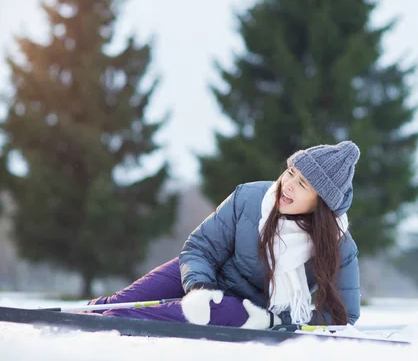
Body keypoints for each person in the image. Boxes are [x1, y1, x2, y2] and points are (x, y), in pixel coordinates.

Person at [87, 141, 361, 329]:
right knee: (123, 300)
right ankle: (92, 313)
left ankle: (110, 322)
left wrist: (283, 323)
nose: (287, 185)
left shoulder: (338, 245)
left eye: (301, 184)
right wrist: (200, 286)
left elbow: (342, 314)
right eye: (290, 173)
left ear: (321, 203)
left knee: (202, 312)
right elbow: (200, 248)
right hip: (203, 277)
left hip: (246, 308)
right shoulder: (251, 198)